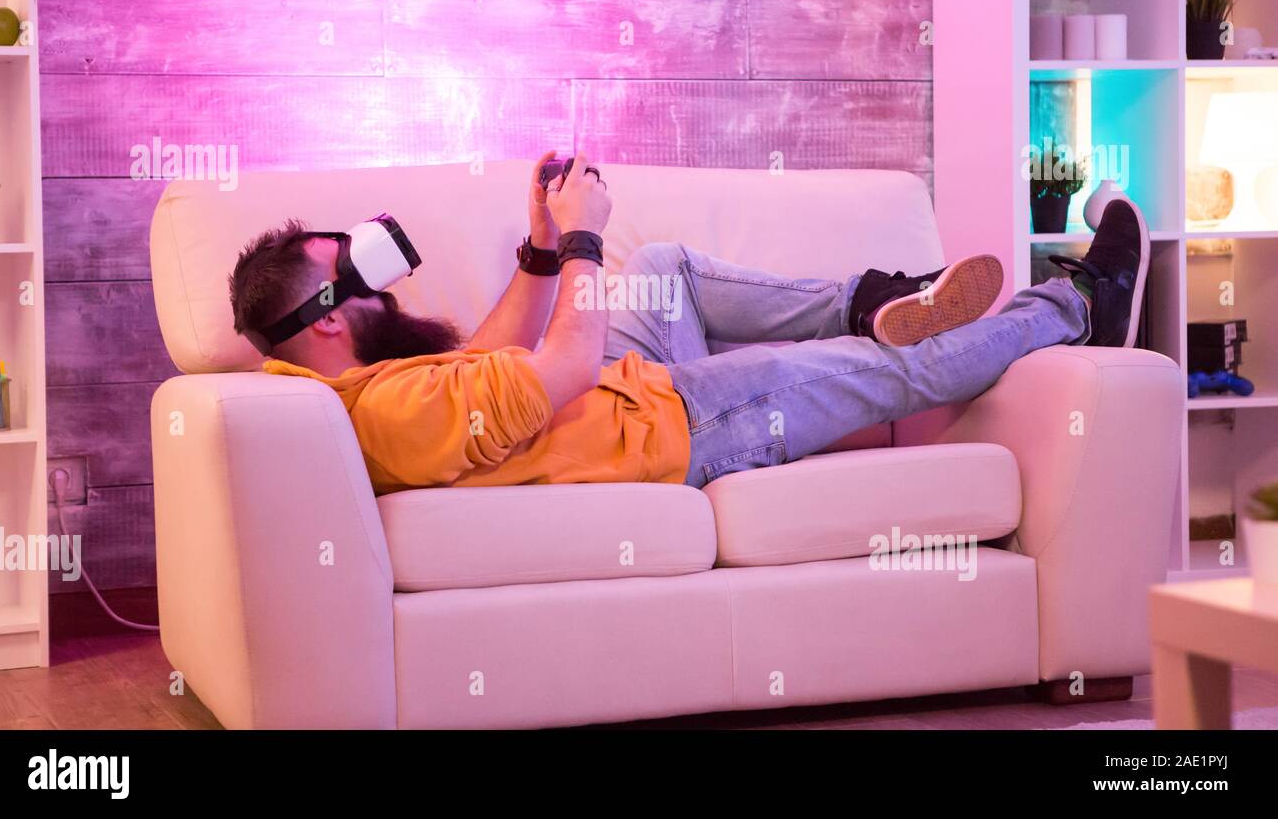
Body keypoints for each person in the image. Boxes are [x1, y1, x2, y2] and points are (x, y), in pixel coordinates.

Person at [227, 151, 1149, 493]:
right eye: (352, 276)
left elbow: (485, 359)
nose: (379, 288)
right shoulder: (386, 414)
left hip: (631, 392)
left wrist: (545, 244)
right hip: (668, 425)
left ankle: (880, 296)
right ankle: (1076, 304)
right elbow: (563, 372)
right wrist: (591, 236)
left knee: (667, 269)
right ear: (328, 322)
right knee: (875, 372)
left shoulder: (355, 389)